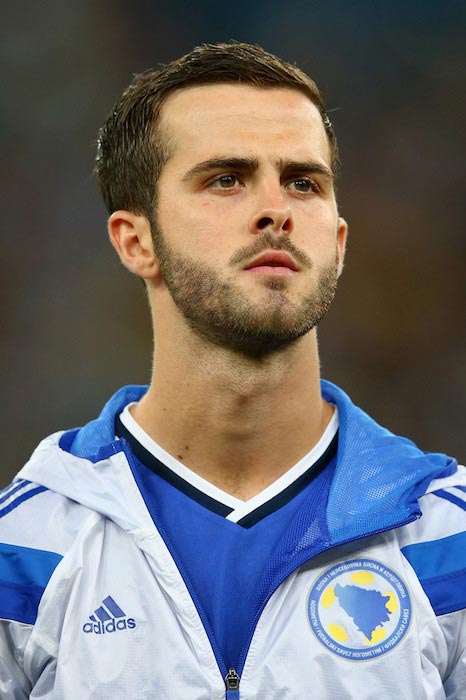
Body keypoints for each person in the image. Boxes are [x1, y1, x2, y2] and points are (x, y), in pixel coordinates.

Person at [0, 42, 464, 699]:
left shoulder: (448, 538)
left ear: (336, 241)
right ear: (137, 241)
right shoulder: (25, 550)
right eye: (226, 178)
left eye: (303, 182)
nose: (276, 210)